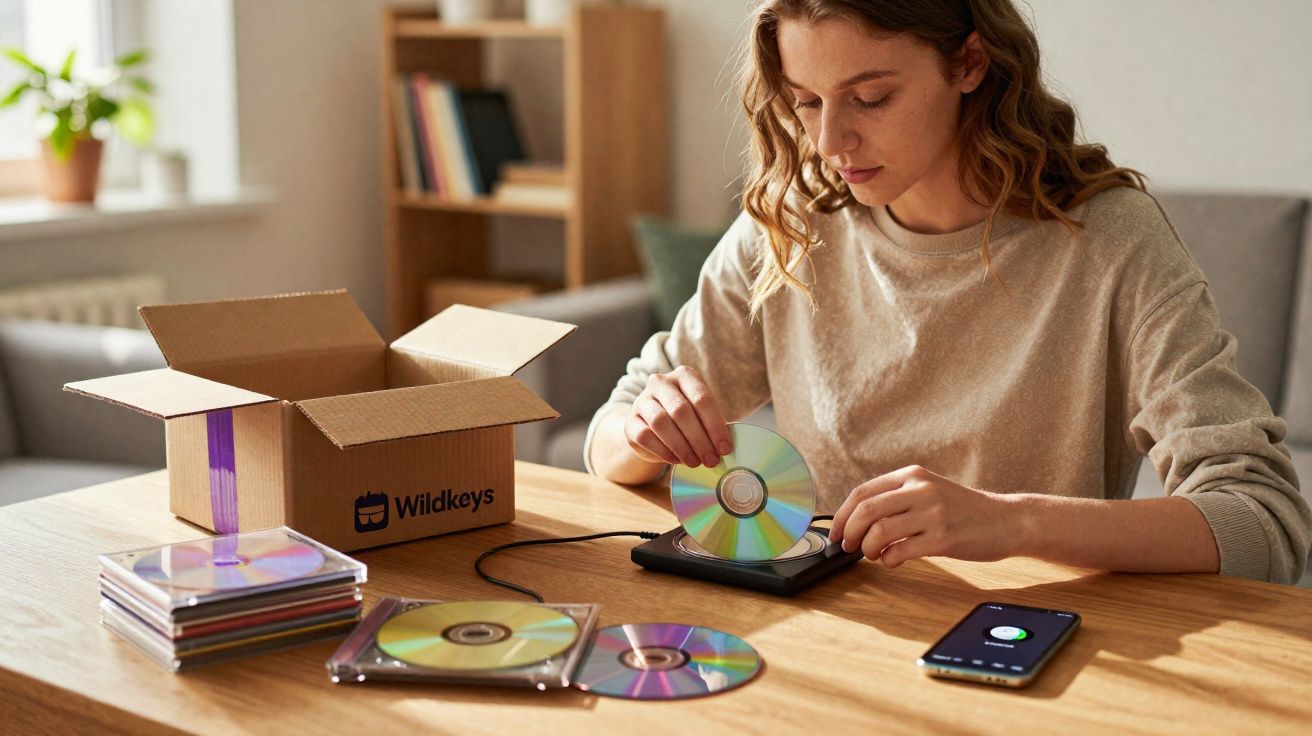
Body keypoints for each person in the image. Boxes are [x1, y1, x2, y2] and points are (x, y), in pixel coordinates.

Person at [583, 0, 1311, 584]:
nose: (831, 141)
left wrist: (1012, 521)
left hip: (1027, 647)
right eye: (806, 102)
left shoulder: (1110, 240)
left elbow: (1264, 519)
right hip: (830, 631)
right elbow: (606, 441)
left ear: (968, 62)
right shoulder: (793, 222)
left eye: (869, 97)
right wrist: (646, 429)